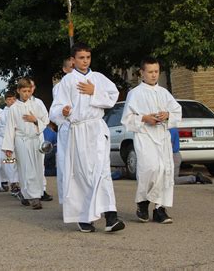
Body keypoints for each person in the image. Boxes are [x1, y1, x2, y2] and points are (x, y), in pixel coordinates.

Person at [50, 43, 125, 233]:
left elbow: (112, 96)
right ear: (73, 60)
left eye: (88, 57)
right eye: (81, 58)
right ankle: (84, 217)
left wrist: (95, 92)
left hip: (96, 129)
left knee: (102, 172)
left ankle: (111, 216)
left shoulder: (98, 78)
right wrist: (64, 111)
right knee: (82, 174)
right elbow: (55, 109)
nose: (85, 61)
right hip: (77, 131)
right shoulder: (66, 82)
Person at [121, 57, 182, 224]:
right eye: (150, 72)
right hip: (145, 136)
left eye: (156, 71)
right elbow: (127, 118)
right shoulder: (135, 94)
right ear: (142, 72)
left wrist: (167, 115)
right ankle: (142, 202)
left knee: (164, 169)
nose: (154, 75)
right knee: (151, 168)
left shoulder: (164, 93)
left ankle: (160, 208)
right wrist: (145, 118)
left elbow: (176, 111)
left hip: (162, 135)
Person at [2, 78, 50, 210]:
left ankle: (33, 193)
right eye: (24, 91)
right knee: (25, 168)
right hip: (21, 141)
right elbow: (10, 128)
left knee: (37, 168)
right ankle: (33, 197)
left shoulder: (36, 105)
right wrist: (8, 147)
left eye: (29, 91)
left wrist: (35, 120)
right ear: (18, 91)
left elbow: (45, 120)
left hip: (35, 140)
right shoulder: (13, 108)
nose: (26, 94)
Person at [50, 56, 74, 204]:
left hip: (85, 129)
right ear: (65, 70)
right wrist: (64, 112)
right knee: (66, 165)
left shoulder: (88, 82)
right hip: (67, 127)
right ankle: (67, 200)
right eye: (70, 67)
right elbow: (56, 111)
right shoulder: (59, 87)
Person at [29, 78, 53, 202]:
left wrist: (35, 121)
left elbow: (46, 120)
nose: (30, 90)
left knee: (40, 164)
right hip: (23, 139)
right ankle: (27, 191)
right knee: (27, 165)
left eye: (32, 87)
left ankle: (41, 190)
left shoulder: (39, 102)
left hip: (38, 136)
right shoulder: (17, 104)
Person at [0, 90, 20, 195]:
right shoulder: (2, 114)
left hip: (20, 141)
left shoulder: (20, 111)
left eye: (14, 99)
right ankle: (13, 184)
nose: (12, 101)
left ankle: (21, 183)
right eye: (9, 99)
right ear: (6, 101)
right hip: (8, 143)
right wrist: (10, 134)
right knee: (10, 163)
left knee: (20, 163)